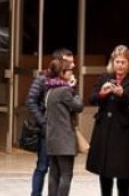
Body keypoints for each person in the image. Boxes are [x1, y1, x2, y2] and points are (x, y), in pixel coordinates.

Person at [86, 45, 129, 196]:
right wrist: (102, 93)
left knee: (123, 177)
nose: (119, 65)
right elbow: (91, 99)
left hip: (124, 134)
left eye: (123, 62)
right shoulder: (104, 77)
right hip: (104, 131)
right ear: (113, 62)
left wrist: (123, 94)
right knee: (105, 175)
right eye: (117, 62)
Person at [26, 48, 75, 196]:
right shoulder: (43, 79)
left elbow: (73, 104)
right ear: (58, 62)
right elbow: (31, 101)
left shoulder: (68, 80)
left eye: (73, 62)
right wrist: (43, 122)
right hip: (46, 132)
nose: (73, 66)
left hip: (62, 133)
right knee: (42, 166)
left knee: (58, 170)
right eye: (69, 62)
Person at [44, 58, 84, 196]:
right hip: (65, 140)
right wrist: (74, 90)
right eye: (70, 71)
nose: (72, 74)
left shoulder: (49, 91)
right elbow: (78, 107)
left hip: (52, 139)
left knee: (54, 174)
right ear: (62, 72)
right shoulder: (65, 90)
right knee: (66, 175)